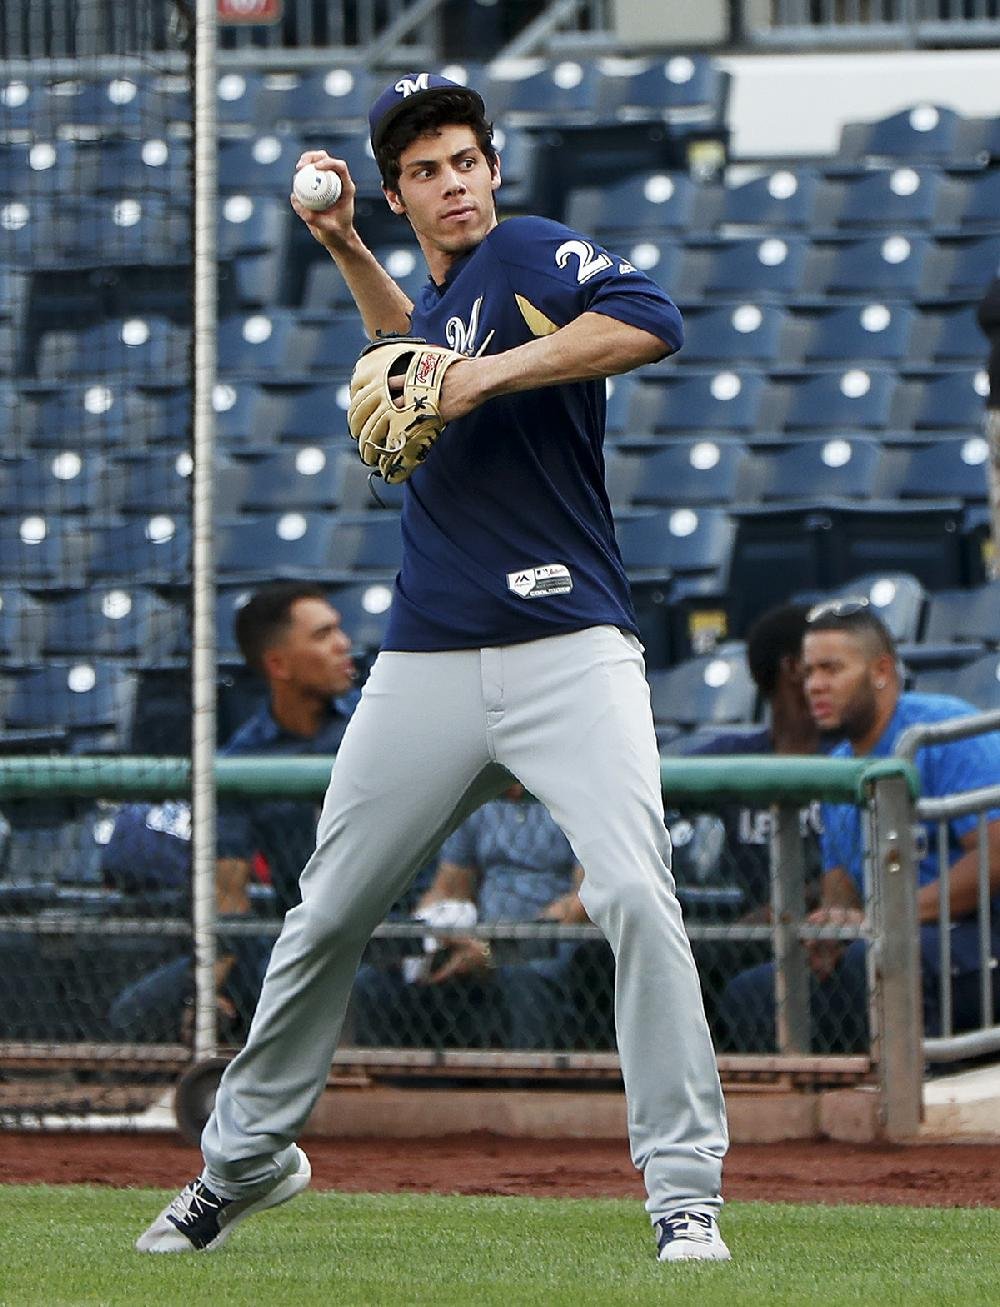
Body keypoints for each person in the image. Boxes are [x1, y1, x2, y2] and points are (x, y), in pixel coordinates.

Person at [136, 72, 729, 1264]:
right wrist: (351, 248)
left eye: (465, 159)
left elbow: (653, 318)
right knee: (327, 912)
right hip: (429, 654)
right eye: (425, 169)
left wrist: (480, 378)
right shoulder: (445, 298)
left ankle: (683, 1188)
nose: (451, 181)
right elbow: (409, 348)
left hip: (571, 644)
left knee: (632, 895)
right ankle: (242, 1162)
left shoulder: (527, 249)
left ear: (492, 170)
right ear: (401, 191)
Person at [717, 601, 1000, 1053]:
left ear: (881, 671)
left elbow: (994, 857)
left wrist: (880, 918)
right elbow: (841, 885)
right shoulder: (838, 766)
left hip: (979, 932)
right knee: (754, 991)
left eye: (831, 669)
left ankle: (913, 1102)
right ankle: (805, 1111)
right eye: (809, 672)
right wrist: (830, 928)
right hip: (893, 936)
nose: (815, 686)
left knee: (870, 962)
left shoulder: (943, 728)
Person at [105, 583, 358, 1041]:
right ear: (277, 664)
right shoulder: (245, 759)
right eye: (323, 635)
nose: (344, 644)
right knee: (134, 1013)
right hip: (297, 940)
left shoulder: (374, 724)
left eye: (338, 630)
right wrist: (208, 991)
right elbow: (230, 896)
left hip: (389, 930)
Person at [349, 781, 593, 1051]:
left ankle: (533, 1088)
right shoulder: (482, 791)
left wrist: (496, 949)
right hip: (478, 938)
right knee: (375, 979)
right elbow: (449, 887)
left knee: (523, 976)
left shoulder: (574, 792)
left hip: (550, 941)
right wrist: (438, 936)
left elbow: (583, 900)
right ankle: (398, 1085)